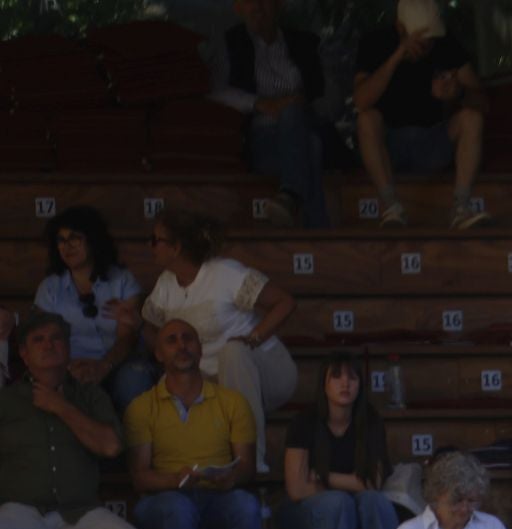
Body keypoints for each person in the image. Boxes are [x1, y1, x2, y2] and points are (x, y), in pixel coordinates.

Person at [0, 311, 146, 529]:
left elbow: (109, 447)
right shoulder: (7, 400)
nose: (48, 345)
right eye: (38, 340)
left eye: (56, 339)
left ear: (68, 348)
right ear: (24, 355)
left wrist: (60, 407)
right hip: (23, 508)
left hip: (79, 510)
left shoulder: (89, 395)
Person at [141, 209, 296, 471]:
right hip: (211, 381)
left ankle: (251, 462)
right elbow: (149, 328)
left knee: (233, 352)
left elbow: (285, 302)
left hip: (265, 372)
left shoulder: (225, 273)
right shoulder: (165, 284)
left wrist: (252, 338)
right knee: (165, 382)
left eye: (156, 240)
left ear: (176, 247)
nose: (150, 246)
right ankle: (176, 470)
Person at [125, 320, 263, 529]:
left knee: (247, 506)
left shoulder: (233, 402)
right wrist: (176, 480)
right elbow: (140, 476)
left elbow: (247, 466)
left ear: (200, 350)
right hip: (164, 502)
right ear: (159, 354)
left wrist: (232, 478)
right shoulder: (141, 407)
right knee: (179, 506)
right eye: (171, 340)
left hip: (216, 498)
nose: (182, 345)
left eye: (188, 338)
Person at [353, 0, 491, 230]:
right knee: (366, 119)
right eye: (420, 38)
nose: (427, 44)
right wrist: (397, 56)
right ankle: (391, 206)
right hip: (391, 146)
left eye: (431, 38)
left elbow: (483, 104)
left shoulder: (445, 45)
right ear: (400, 29)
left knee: (472, 117)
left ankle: (461, 207)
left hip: (432, 142)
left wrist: (457, 93)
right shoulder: (375, 43)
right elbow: (361, 101)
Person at [207, 0, 333, 228]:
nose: (257, 7)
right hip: (261, 139)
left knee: (297, 117)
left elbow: (331, 96)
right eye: (249, 1)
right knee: (312, 147)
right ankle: (314, 228)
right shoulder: (231, 43)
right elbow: (216, 92)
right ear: (238, 7)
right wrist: (262, 104)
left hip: (302, 125)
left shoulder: (303, 44)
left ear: (279, 5)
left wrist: (299, 104)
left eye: (264, 0)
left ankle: (290, 197)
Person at [278, 356, 399, 529]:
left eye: (352, 377)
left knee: (374, 500)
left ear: (360, 385)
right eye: (336, 376)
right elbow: (296, 490)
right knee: (337, 501)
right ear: (323, 384)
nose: (345, 384)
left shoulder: (370, 420)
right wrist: (352, 483)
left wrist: (324, 477)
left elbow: (372, 484)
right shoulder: (305, 421)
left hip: (355, 508)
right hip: (303, 513)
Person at [33, 206, 156, 412]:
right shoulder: (50, 288)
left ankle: (136, 443)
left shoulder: (121, 280)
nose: (67, 246)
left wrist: (104, 366)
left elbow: (128, 337)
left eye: (74, 238)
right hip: (70, 367)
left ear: (93, 240)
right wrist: (69, 367)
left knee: (135, 377)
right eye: (61, 240)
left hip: (117, 365)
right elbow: (44, 336)